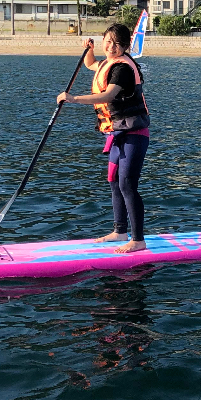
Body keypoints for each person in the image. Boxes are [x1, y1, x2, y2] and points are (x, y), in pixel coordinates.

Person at [58, 23, 151, 253]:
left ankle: (138, 239)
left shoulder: (123, 69)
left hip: (134, 134)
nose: (111, 47)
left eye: (117, 44)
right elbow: (90, 63)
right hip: (117, 133)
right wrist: (88, 49)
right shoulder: (107, 63)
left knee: (127, 184)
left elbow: (108, 94)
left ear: (125, 46)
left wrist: (74, 99)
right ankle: (120, 231)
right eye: (107, 41)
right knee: (114, 182)